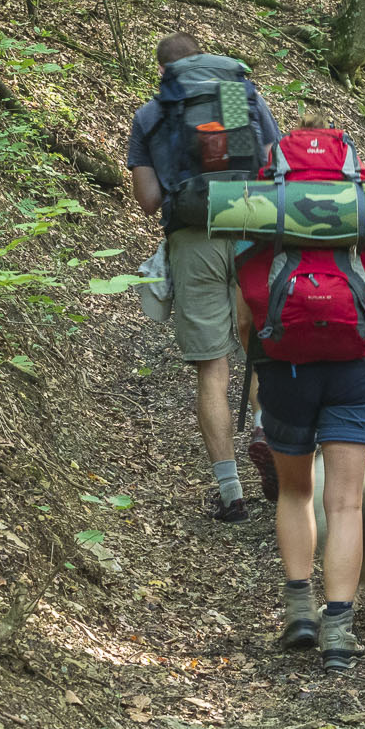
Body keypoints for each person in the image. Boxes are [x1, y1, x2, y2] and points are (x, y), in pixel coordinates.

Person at [232, 122, 365, 672]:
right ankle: (338, 631)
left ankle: (299, 611)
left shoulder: (261, 210)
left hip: (286, 369)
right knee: (346, 503)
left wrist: (263, 369)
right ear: (349, 167)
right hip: (355, 369)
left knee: (294, 493)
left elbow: (244, 320)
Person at [126, 33, 282, 521]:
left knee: (212, 368)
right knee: (262, 346)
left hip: (193, 239)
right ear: (204, 58)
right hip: (253, 226)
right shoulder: (242, 94)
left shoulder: (153, 113)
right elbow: (277, 160)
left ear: (163, 70)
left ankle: (230, 491)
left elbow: (148, 199)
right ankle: (264, 428)